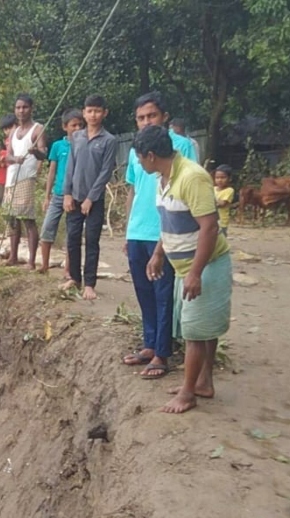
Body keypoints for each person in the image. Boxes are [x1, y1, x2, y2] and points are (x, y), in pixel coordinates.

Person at [133, 125, 232, 413]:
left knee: (193, 331)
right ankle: (203, 382)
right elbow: (169, 222)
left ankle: (188, 393)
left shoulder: (192, 177)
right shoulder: (162, 178)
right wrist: (158, 254)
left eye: (140, 157)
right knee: (204, 326)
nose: (139, 162)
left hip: (205, 265)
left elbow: (210, 226)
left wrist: (195, 272)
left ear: (151, 156)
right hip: (183, 266)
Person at [122, 92, 199, 379]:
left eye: (151, 116)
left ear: (164, 117)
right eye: (141, 118)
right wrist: (128, 230)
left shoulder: (180, 147)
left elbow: (186, 189)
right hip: (138, 229)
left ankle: (163, 352)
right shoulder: (135, 150)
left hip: (164, 231)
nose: (146, 122)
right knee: (143, 290)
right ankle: (149, 342)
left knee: (163, 292)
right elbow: (133, 188)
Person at [62, 95, 116, 300]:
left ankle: (90, 284)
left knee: (92, 240)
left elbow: (105, 172)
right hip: (74, 197)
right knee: (73, 238)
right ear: (84, 113)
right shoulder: (77, 137)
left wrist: (91, 198)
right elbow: (70, 166)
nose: (93, 115)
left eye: (97, 111)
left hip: (94, 200)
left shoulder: (109, 140)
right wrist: (67, 193)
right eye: (89, 111)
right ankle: (74, 278)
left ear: (104, 113)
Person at [38, 109, 85, 274]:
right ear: (65, 127)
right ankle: (44, 265)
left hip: (76, 195)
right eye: (74, 125)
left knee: (71, 234)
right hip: (58, 194)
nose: (77, 128)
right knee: (47, 228)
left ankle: (68, 269)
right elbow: (52, 172)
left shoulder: (84, 145)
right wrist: (47, 196)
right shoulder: (58, 146)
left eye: (80, 125)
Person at [3, 94, 47, 269]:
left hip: (26, 177)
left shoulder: (37, 129)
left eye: (25, 107)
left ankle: (31, 261)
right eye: (18, 107)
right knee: (11, 218)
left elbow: (44, 153)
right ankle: (13, 256)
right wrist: (15, 159)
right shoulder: (13, 132)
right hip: (11, 178)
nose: (21, 111)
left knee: (27, 218)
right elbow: (8, 155)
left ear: (31, 108)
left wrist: (35, 151)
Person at [0, 114, 17, 207]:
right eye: (5, 129)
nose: (8, 131)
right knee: (0, 200)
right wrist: (1, 162)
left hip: (13, 178)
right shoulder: (2, 150)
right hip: (2, 179)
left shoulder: (19, 142)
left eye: (10, 127)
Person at [213, 165, 235, 235]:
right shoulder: (213, 189)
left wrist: (211, 200)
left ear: (230, 178)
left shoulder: (229, 190)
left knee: (221, 239)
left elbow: (222, 204)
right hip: (212, 220)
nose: (219, 180)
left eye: (223, 177)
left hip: (222, 221)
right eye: (217, 178)